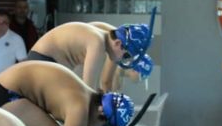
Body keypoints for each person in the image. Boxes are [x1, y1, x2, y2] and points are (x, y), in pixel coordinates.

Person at [0, 60, 135, 126]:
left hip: (4, 88)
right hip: (6, 94)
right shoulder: (80, 109)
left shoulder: (87, 97)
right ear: (101, 110)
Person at [26, 15, 154, 92]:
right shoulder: (98, 44)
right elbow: (88, 91)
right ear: (118, 44)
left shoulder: (104, 36)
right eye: (126, 56)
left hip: (46, 61)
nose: (121, 60)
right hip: (44, 61)